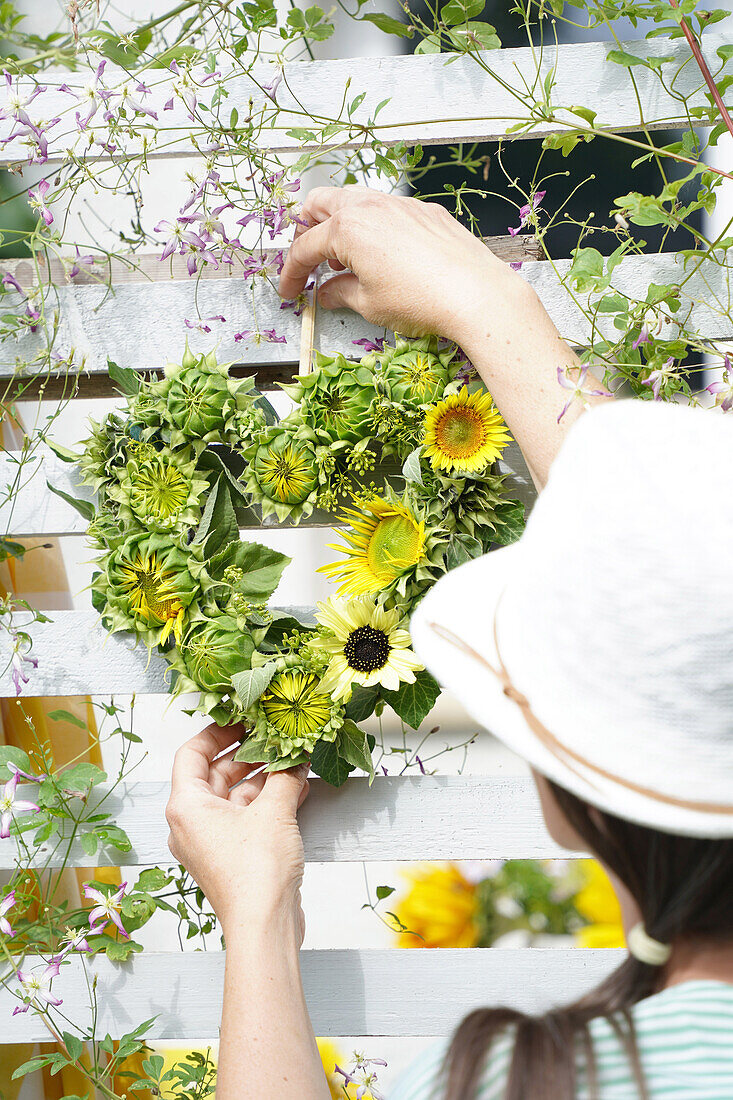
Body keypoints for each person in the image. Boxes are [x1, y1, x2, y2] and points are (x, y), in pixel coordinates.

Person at [164, 188, 733, 1100]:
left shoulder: (523, 1082)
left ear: (559, 790)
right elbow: (697, 571)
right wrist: (485, 305)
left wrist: (256, 911)